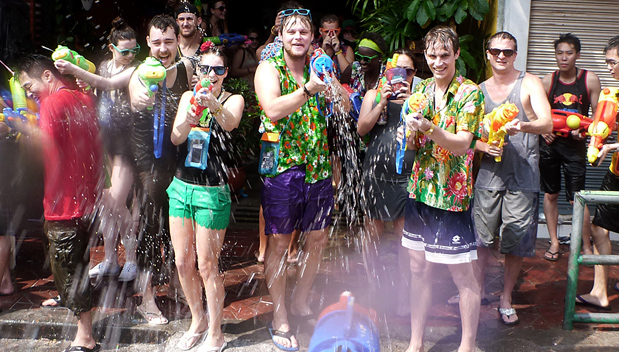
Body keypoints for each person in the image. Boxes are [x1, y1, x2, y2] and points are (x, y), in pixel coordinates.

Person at [254, 8, 350, 351]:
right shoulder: (270, 67)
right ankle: (280, 314)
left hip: (318, 166)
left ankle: (301, 301)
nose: (297, 37)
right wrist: (310, 88)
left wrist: (334, 89)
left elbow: (342, 109)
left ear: (312, 37)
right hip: (282, 167)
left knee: (318, 238)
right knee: (280, 242)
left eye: (303, 32)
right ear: (281, 36)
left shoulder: (321, 63)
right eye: (291, 32)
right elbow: (272, 109)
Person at [399, 26, 484, 352]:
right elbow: (411, 146)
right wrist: (407, 131)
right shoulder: (419, 92)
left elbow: (463, 145)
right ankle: (416, 343)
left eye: (444, 55)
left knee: (463, 276)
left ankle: (466, 346)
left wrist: (430, 128)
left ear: (457, 54)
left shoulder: (469, 93)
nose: (437, 62)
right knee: (418, 269)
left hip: (451, 197)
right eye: (432, 55)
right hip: (420, 193)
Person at [16, 54, 103, 352]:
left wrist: (20, 125)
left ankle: (85, 338)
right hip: (85, 200)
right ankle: (70, 301)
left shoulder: (51, 104)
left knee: (69, 266)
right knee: (75, 262)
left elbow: (45, 146)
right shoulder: (83, 98)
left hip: (64, 202)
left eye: (30, 86)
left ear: (48, 77)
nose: (29, 93)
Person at [472, 32, 552, 325]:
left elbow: (547, 122)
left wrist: (524, 126)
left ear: (515, 54)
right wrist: (483, 144)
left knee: (516, 240)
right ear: (488, 54)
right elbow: (470, 133)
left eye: (508, 51)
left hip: (523, 175)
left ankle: (505, 297)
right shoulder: (478, 90)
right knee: (480, 238)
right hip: (489, 174)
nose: (501, 56)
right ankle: (476, 290)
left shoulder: (529, 82)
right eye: (496, 51)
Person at [55, 17, 141, 283]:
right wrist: (86, 87)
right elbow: (100, 94)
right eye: (124, 51)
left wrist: (75, 70)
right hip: (103, 140)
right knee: (104, 204)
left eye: (134, 50)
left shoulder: (137, 69)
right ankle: (110, 260)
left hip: (126, 143)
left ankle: (134, 258)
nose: (130, 55)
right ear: (112, 49)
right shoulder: (103, 66)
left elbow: (109, 86)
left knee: (116, 201)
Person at [170, 41, 243, 352]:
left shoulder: (233, 99)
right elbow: (176, 137)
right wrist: (190, 115)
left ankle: (216, 332)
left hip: (212, 192)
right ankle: (197, 319)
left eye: (217, 69)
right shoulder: (188, 96)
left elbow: (230, 123)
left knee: (207, 265)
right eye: (205, 69)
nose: (210, 74)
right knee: (183, 261)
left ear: (225, 73)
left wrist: (212, 103)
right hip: (181, 187)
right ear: (196, 70)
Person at [128, 14, 193, 325]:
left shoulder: (186, 68)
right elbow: (134, 97)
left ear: (177, 41)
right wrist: (140, 98)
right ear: (148, 44)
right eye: (157, 43)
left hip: (178, 158)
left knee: (178, 223)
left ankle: (180, 286)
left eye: (169, 42)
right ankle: (147, 298)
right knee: (151, 227)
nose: (163, 49)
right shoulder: (139, 73)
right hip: (149, 162)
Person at [357, 47, 420, 314]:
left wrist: (409, 107)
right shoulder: (373, 94)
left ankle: (405, 295)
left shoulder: (420, 98)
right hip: (376, 174)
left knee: (405, 240)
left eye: (407, 71)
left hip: (406, 176)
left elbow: (422, 141)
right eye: (396, 70)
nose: (401, 76)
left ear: (415, 74)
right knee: (372, 237)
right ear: (386, 71)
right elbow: (362, 130)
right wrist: (382, 102)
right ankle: (372, 289)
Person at [540, 33, 601, 260]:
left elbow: (598, 118)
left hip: (575, 146)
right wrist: (544, 130)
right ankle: (554, 242)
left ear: (577, 55)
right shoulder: (548, 81)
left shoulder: (589, 80)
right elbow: (537, 111)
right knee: (551, 194)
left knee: (578, 198)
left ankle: (585, 245)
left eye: (569, 53)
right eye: (559, 53)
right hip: (550, 145)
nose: (564, 58)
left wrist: (584, 131)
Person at [574, 35, 619, 311]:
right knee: (599, 228)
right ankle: (600, 291)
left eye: (614, 62)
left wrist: (612, 144)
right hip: (616, 171)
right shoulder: (614, 94)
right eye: (608, 63)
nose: (610, 68)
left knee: (599, 228)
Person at [340, 31, 387, 97]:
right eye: (359, 57)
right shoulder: (354, 69)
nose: (362, 62)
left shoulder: (387, 75)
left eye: (366, 59)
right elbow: (339, 90)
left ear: (379, 57)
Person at [315, 14, 355, 78]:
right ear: (320, 31)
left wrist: (338, 51)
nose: (331, 35)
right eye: (327, 32)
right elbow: (311, 72)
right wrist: (323, 50)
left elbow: (351, 76)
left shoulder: (347, 49)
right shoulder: (314, 47)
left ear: (339, 31)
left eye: (335, 31)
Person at [176, 2, 204, 85]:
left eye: (189, 19)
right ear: (177, 22)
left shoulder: (205, 51)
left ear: (198, 21)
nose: (185, 24)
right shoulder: (169, 49)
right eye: (181, 19)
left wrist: (201, 80)